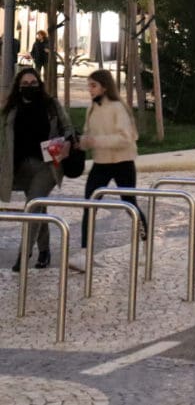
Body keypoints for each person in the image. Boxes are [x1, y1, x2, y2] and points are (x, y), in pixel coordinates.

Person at [1, 68, 74, 272]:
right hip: (21, 168)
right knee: (38, 206)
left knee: (32, 207)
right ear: (18, 86)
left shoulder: (50, 105)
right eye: (25, 83)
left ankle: (24, 254)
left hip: (47, 166)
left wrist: (66, 143)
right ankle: (44, 250)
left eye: (33, 83)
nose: (29, 86)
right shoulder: (11, 109)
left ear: (39, 84)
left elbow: (68, 128)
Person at [76, 70, 145, 272]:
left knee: (129, 202)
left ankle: (145, 243)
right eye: (89, 85)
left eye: (93, 85)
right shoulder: (92, 108)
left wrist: (96, 141)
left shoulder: (118, 108)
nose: (90, 90)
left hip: (123, 161)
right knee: (89, 204)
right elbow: (89, 134)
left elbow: (126, 137)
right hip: (101, 162)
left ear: (104, 87)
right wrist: (80, 142)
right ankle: (85, 253)